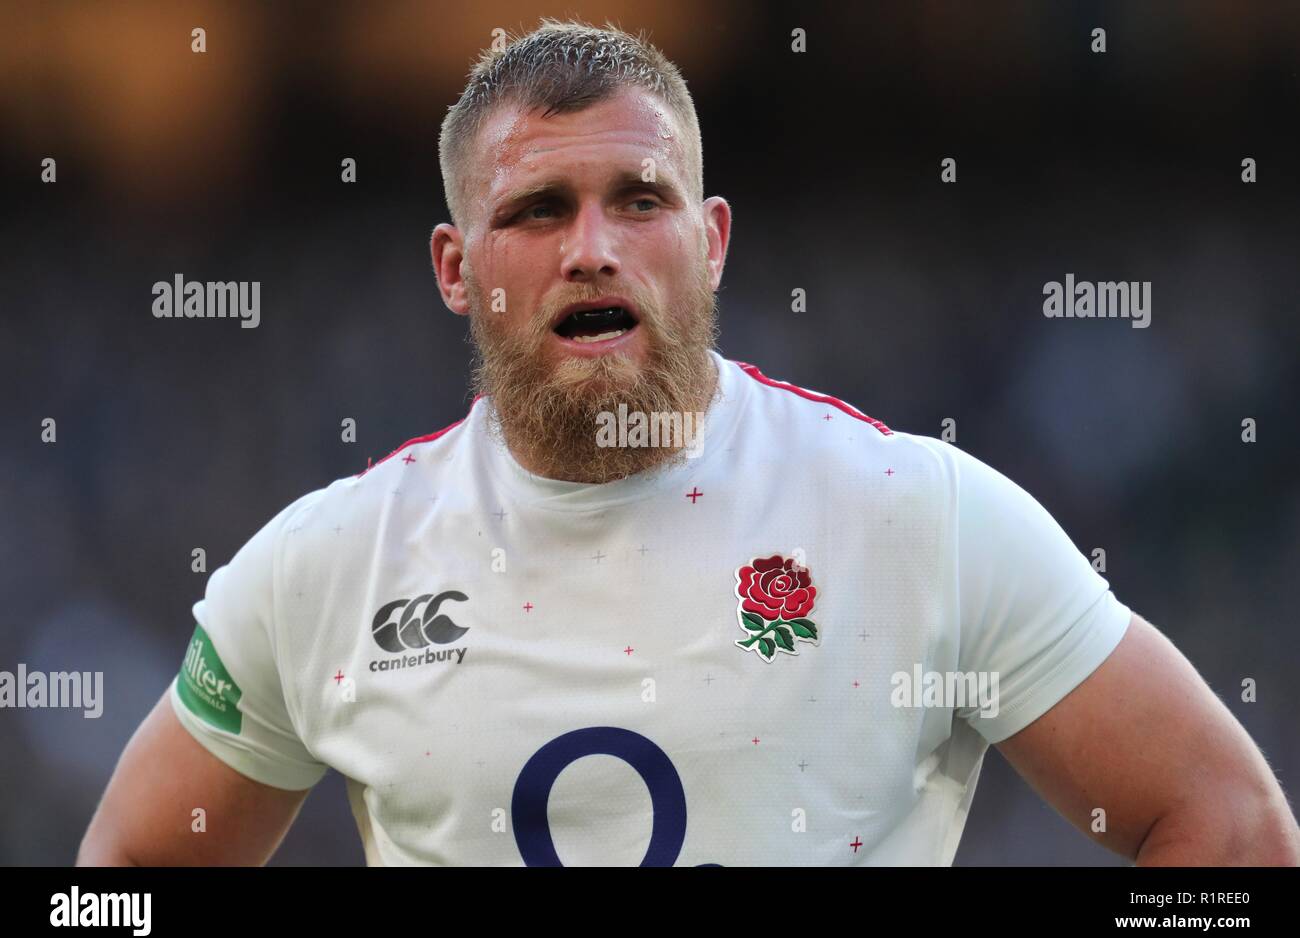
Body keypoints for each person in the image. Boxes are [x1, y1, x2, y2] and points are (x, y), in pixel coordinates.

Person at [79, 18, 1299, 866]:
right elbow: (124, 870)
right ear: (458, 269)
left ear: (710, 240)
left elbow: (1228, 824)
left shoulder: (911, 511)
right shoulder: (325, 567)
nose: (592, 246)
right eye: (539, 209)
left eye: (639, 200)